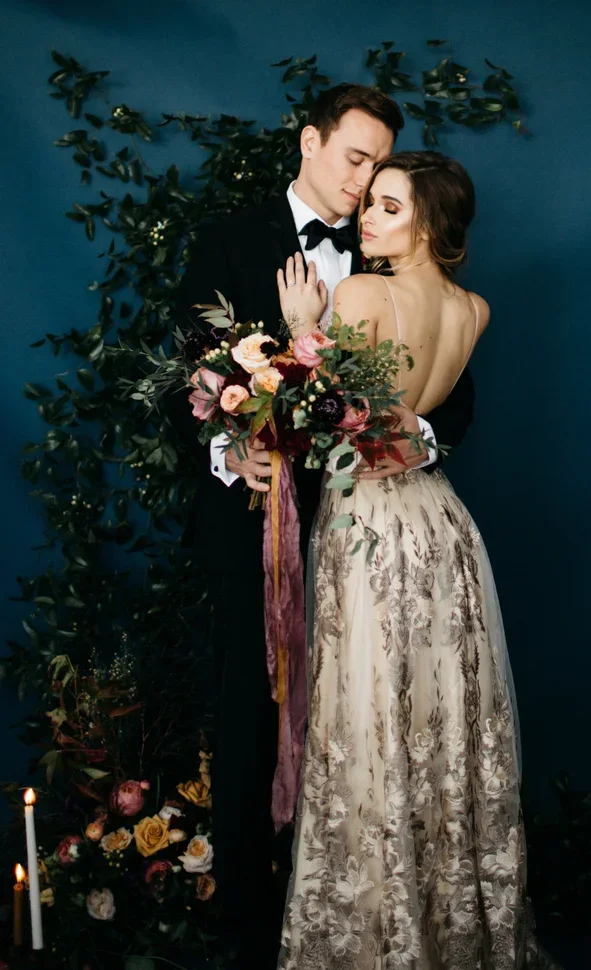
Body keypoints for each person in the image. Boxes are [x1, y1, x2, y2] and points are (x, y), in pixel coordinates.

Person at [172, 88, 476, 969]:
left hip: (367, 534)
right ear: (309, 142)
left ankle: (352, 913)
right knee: (250, 724)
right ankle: (249, 931)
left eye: (379, 169)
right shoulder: (229, 238)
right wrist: (235, 455)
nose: (363, 182)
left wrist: (410, 439)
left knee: (368, 722)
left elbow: (453, 405)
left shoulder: (390, 269)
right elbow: (181, 380)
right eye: (353, 159)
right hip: (254, 529)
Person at [275, 152, 561, 969]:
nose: (366, 218)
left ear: (430, 226)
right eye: (369, 204)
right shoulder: (475, 311)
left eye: (388, 208)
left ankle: (379, 931)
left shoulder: (359, 294)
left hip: (368, 525)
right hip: (442, 528)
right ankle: (446, 921)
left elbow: (332, 419)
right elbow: (409, 424)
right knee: (437, 718)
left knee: (368, 715)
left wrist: (303, 327)